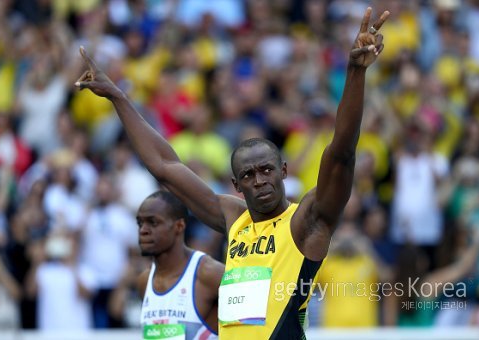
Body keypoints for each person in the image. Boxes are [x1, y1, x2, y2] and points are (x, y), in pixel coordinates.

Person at [75, 7, 389, 339]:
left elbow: (340, 153)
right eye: (249, 175)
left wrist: (356, 71)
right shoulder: (233, 217)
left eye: (267, 170)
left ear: (284, 171)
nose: (260, 181)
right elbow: (165, 167)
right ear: (237, 185)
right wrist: (118, 97)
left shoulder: (306, 221)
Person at [136, 191, 224, 339]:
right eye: (140, 223)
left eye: (153, 222)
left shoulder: (208, 273)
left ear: (179, 225)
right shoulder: (144, 281)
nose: (143, 230)